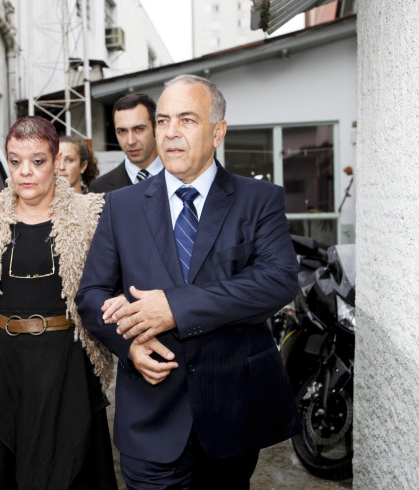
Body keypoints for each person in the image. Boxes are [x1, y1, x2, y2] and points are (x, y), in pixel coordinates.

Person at [75, 74, 300, 489]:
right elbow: (90, 295)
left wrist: (173, 307)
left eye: (187, 120)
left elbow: (277, 280)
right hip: (150, 413)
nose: (171, 133)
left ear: (218, 132)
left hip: (231, 413)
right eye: (162, 121)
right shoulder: (120, 206)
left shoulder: (258, 199)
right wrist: (130, 344)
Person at [0, 116, 117, 490]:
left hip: (65, 364)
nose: (25, 172)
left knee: (66, 466)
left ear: (56, 159)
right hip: (3, 364)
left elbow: (109, 287)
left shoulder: (88, 215)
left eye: (37, 161)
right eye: (15, 161)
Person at [89, 93, 163, 193]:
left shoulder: (182, 176)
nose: (130, 141)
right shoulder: (100, 190)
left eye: (139, 129)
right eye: (122, 131)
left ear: (156, 128)